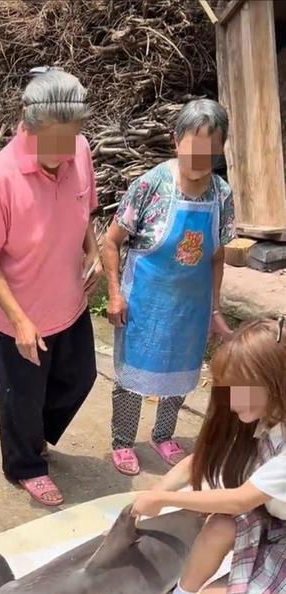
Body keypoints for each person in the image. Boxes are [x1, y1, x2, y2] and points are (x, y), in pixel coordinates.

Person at [0, 67, 101, 506]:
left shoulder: (79, 150)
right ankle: (25, 464)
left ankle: (34, 435)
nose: (65, 151)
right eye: (55, 141)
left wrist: (92, 251)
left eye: (71, 137)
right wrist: (20, 320)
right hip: (22, 314)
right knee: (21, 398)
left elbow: (85, 210)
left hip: (71, 301)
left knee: (81, 378)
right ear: (29, 126)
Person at [129, 318, 286, 594]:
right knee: (219, 525)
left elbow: (240, 498)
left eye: (241, 389)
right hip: (276, 528)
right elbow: (201, 461)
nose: (232, 402)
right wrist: (156, 491)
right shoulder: (269, 416)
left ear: (275, 380)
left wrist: (165, 499)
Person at [102, 99, 235, 477]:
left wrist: (214, 309)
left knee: (180, 374)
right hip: (145, 303)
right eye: (194, 150)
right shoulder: (150, 186)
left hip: (191, 307)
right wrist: (115, 294)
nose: (200, 161)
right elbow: (111, 242)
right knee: (131, 379)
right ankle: (123, 441)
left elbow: (216, 257)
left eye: (210, 153)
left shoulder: (221, 194)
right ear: (176, 141)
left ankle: (163, 435)